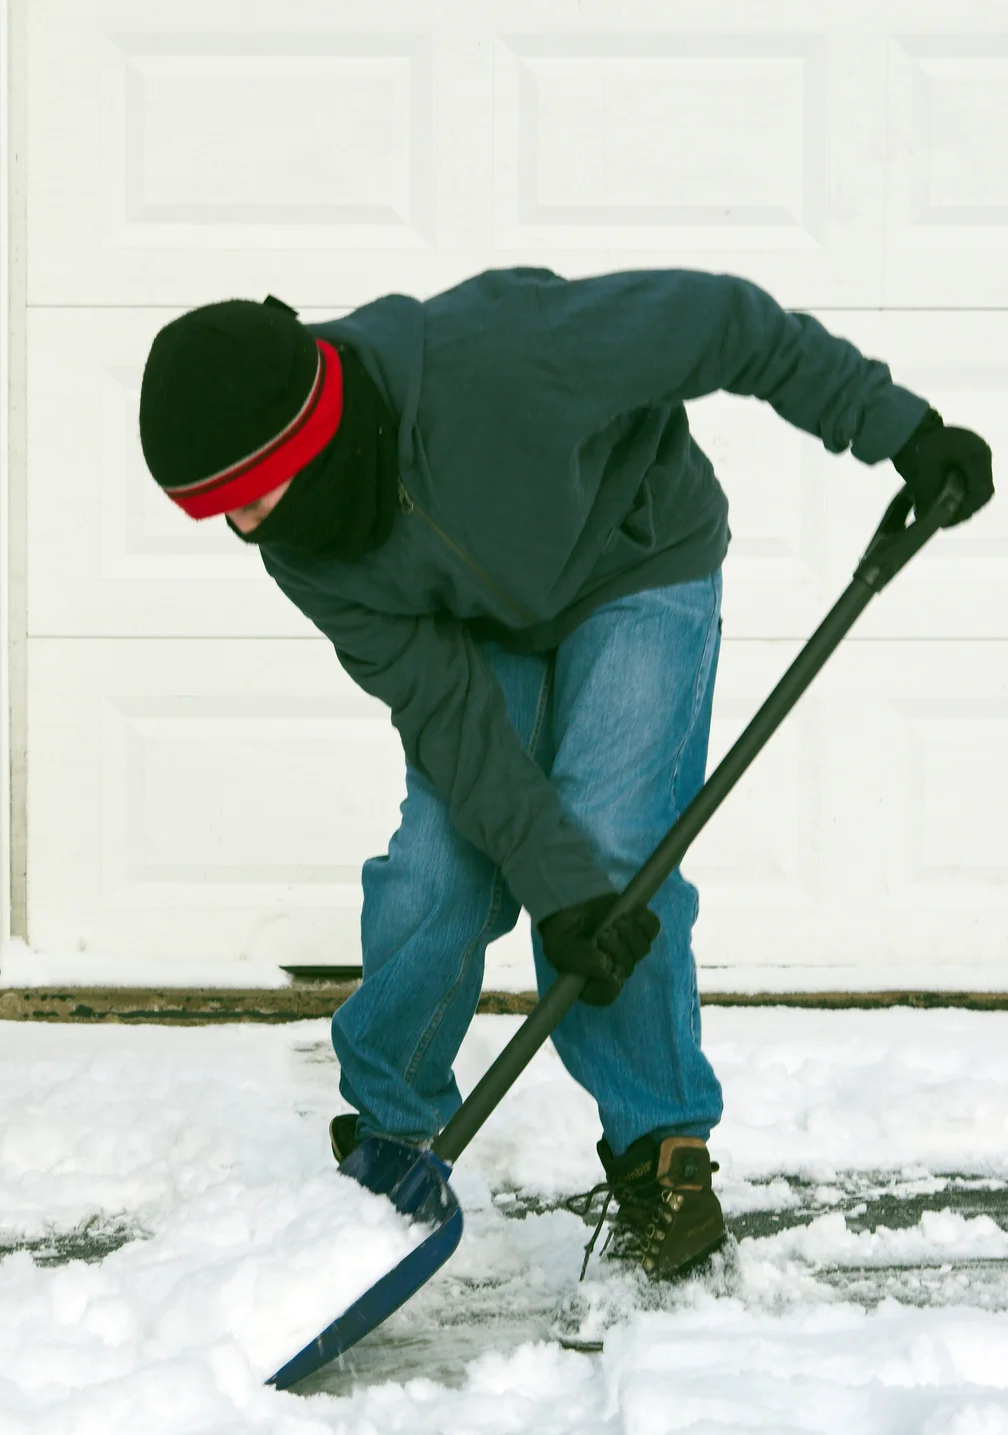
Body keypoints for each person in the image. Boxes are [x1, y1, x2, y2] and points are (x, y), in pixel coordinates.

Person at [137, 267, 994, 1280]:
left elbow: (726, 324)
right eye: (223, 513)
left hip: (636, 562)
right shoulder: (302, 549)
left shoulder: (512, 350)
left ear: (314, 428)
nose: (249, 528)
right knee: (436, 865)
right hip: (476, 626)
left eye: (256, 494)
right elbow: (451, 719)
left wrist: (895, 428)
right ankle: (391, 1129)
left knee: (614, 851)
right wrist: (558, 895)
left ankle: (658, 1147)